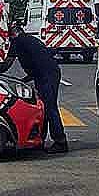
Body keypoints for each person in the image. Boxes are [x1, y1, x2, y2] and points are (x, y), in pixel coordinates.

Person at [8, 20, 68, 154]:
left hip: (47, 75)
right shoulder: (29, 39)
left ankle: (60, 141)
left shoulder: (18, 42)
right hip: (46, 73)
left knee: (49, 107)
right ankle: (40, 140)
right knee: (43, 107)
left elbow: (7, 63)